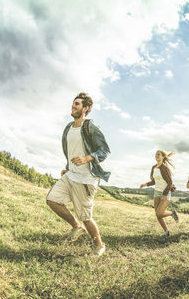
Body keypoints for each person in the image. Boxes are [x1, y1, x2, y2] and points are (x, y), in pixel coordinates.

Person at [46, 92, 111, 256]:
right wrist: (68, 166)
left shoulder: (90, 127)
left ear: (85, 108)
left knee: (86, 217)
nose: (73, 106)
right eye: (73, 103)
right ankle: (76, 226)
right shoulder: (68, 127)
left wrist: (87, 158)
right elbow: (71, 151)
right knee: (52, 200)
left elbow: (104, 151)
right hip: (71, 174)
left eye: (77, 104)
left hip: (86, 179)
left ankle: (99, 245)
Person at [140, 150, 179, 236]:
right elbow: (154, 181)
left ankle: (172, 213)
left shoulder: (165, 168)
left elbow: (170, 182)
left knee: (159, 213)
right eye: (156, 155)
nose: (157, 156)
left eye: (159, 154)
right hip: (156, 192)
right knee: (158, 215)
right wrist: (145, 184)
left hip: (165, 192)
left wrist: (165, 194)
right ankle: (166, 232)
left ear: (163, 157)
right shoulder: (154, 168)